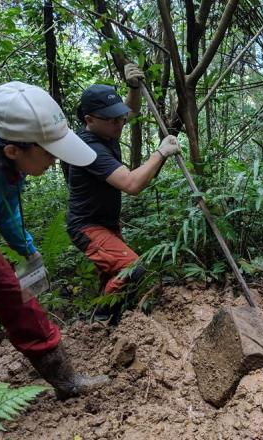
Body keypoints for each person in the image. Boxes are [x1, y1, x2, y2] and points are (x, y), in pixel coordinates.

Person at [0, 81, 109, 398]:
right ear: (13, 149)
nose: (56, 161)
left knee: (10, 291)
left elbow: (8, 210)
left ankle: (65, 381)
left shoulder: (5, 164)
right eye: (50, 153)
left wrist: (28, 250)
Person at [67, 64, 180, 322]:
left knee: (113, 275)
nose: (120, 122)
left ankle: (112, 322)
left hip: (106, 224)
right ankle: (101, 319)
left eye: (119, 117)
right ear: (89, 121)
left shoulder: (106, 128)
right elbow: (131, 185)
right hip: (88, 227)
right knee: (133, 269)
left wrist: (133, 88)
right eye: (113, 119)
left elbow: (131, 109)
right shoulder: (88, 148)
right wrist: (160, 152)